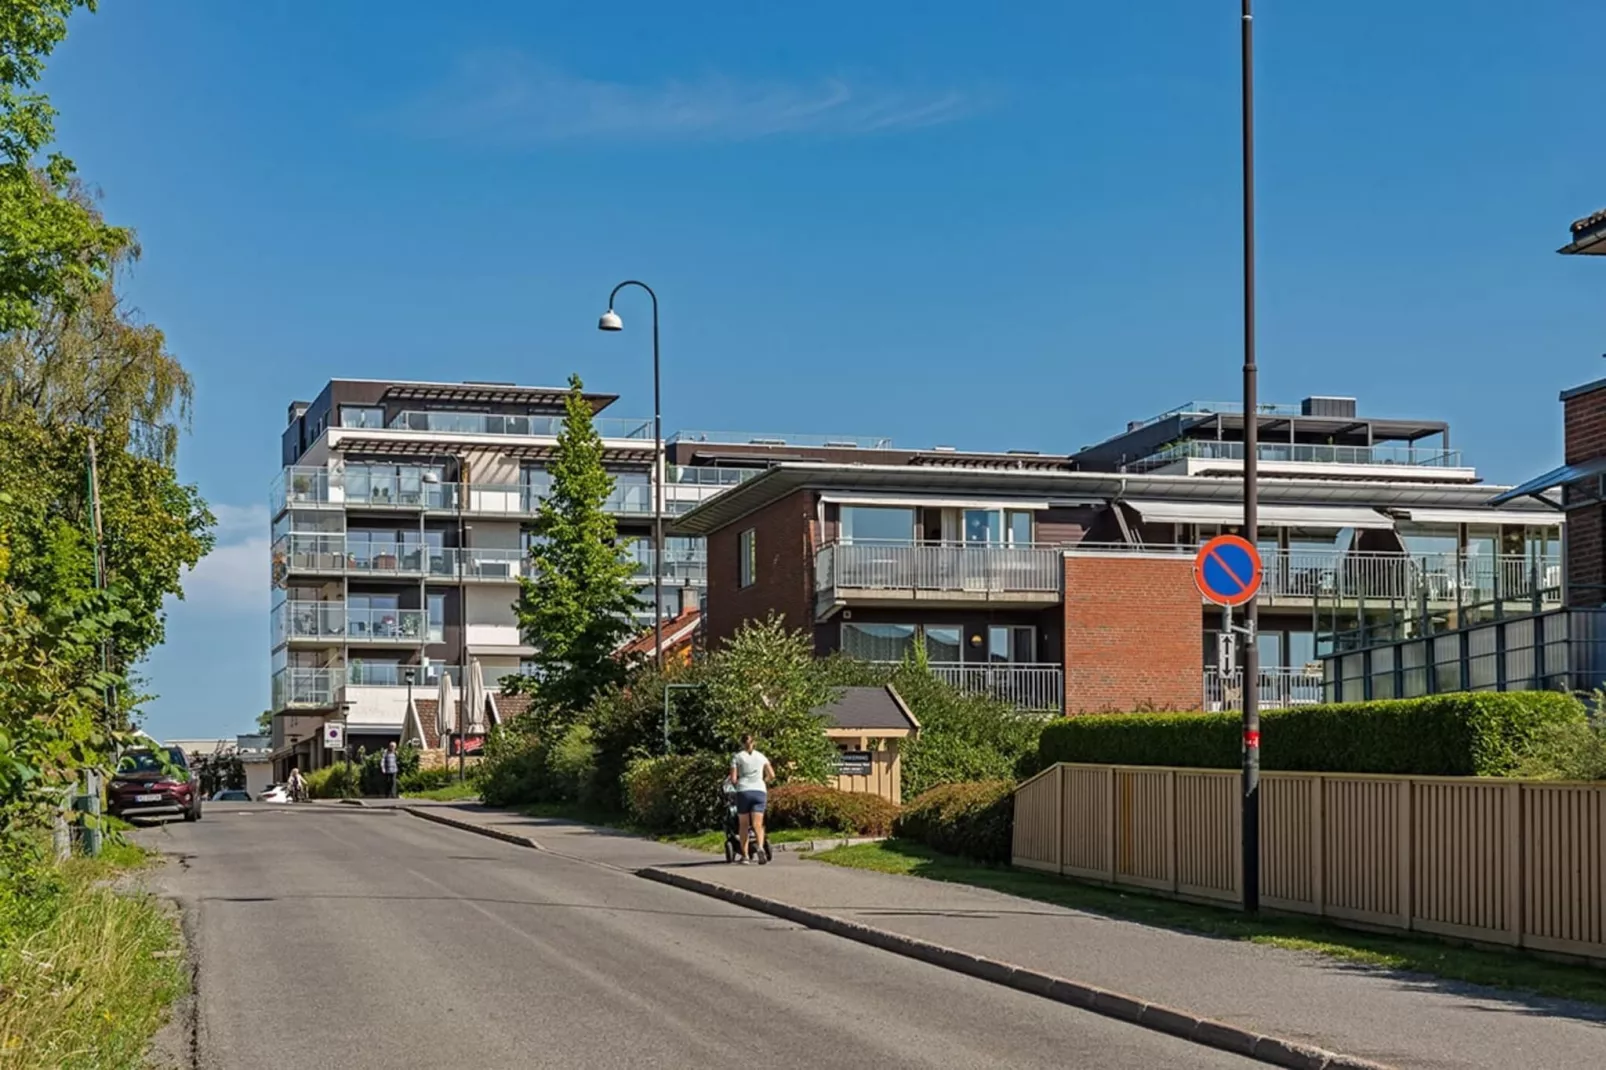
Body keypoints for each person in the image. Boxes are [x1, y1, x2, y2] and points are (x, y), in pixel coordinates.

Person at [728, 734, 774, 864]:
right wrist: (763, 781)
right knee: (757, 824)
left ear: (742, 743)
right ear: (754, 743)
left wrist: (738, 786)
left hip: (744, 791)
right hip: (759, 790)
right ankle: (760, 847)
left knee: (744, 824)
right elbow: (772, 774)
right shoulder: (761, 756)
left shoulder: (737, 757)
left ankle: (745, 856)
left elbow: (733, 779)